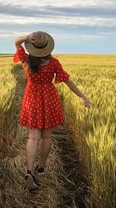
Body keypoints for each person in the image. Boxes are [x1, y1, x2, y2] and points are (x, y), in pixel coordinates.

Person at [13, 31, 91, 191]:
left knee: (33, 137)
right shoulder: (54, 63)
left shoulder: (27, 60)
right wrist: (83, 96)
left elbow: (16, 43)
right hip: (49, 98)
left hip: (32, 97)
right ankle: (41, 168)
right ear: (47, 47)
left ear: (31, 47)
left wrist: (26, 38)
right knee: (47, 135)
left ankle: (29, 171)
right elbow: (68, 81)